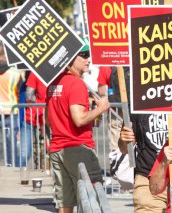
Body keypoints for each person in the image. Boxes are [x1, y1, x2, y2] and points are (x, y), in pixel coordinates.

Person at [46, 43, 110, 213]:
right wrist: (101, 108)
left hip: (57, 148)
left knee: (65, 201)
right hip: (77, 148)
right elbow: (79, 119)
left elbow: (48, 119)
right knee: (93, 197)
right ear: (69, 59)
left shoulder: (53, 83)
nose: (88, 59)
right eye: (83, 55)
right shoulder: (76, 84)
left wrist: (95, 113)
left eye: (88, 54)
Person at [0, 41, 23, 167]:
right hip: (11, 111)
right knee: (11, 143)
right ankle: (11, 165)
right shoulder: (14, 73)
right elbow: (21, 93)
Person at [20, 71, 48, 168]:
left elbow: (28, 97)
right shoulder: (59, 73)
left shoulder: (35, 73)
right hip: (36, 119)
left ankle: (23, 174)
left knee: (25, 154)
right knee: (45, 155)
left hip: (34, 117)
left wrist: (35, 100)